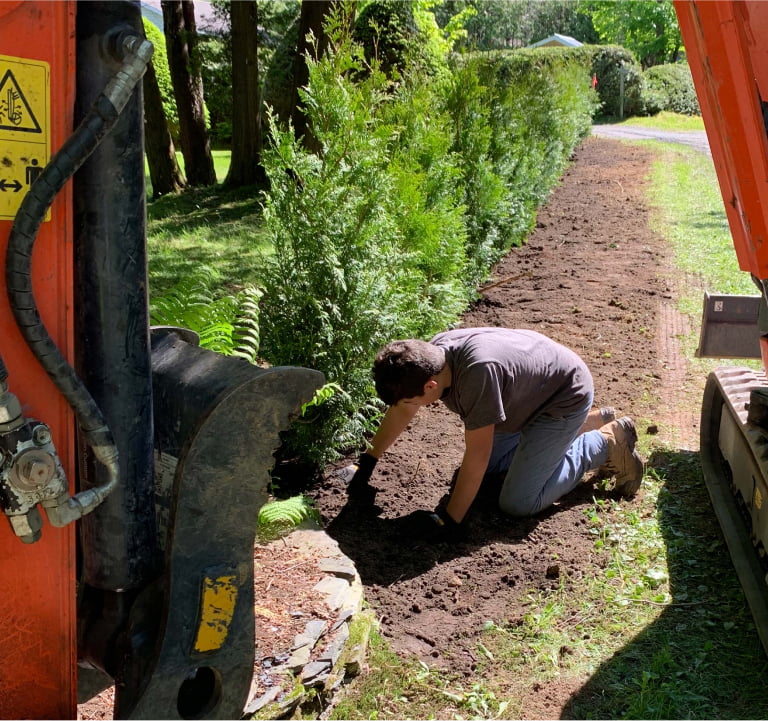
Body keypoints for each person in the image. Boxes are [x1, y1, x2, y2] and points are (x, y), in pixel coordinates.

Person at [343, 327, 644, 541]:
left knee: (518, 502)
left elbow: (478, 452)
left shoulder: (477, 375)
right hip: (530, 394)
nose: (410, 406)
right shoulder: (430, 358)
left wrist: (448, 519)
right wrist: (367, 461)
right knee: (484, 474)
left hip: (563, 397)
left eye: (413, 399)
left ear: (430, 387)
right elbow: (402, 408)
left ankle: (604, 442)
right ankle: (584, 424)